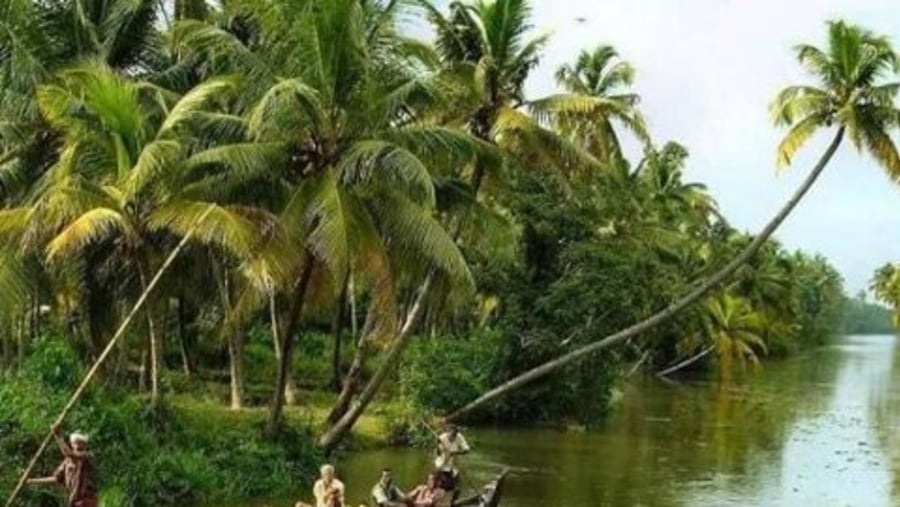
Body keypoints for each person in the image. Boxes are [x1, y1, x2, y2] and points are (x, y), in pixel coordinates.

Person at [27, 425, 97, 507]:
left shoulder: (87, 456)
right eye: (75, 443)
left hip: (86, 500)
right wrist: (32, 481)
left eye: (81, 443)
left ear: (84, 445)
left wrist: (57, 436)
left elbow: (69, 454)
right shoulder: (66, 462)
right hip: (74, 502)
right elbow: (56, 478)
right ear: (72, 444)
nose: (78, 445)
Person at [433, 423, 470, 493]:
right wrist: (442, 449)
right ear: (447, 433)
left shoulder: (459, 437)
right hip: (442, 464)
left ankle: (452, 500)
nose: (451, 438)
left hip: (454, 464)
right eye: (449, 435)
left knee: (456, 488)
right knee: (440, 485)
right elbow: (438, 452)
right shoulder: (442, 438)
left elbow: (467, 450)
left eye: (453, 436)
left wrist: (455, 452)